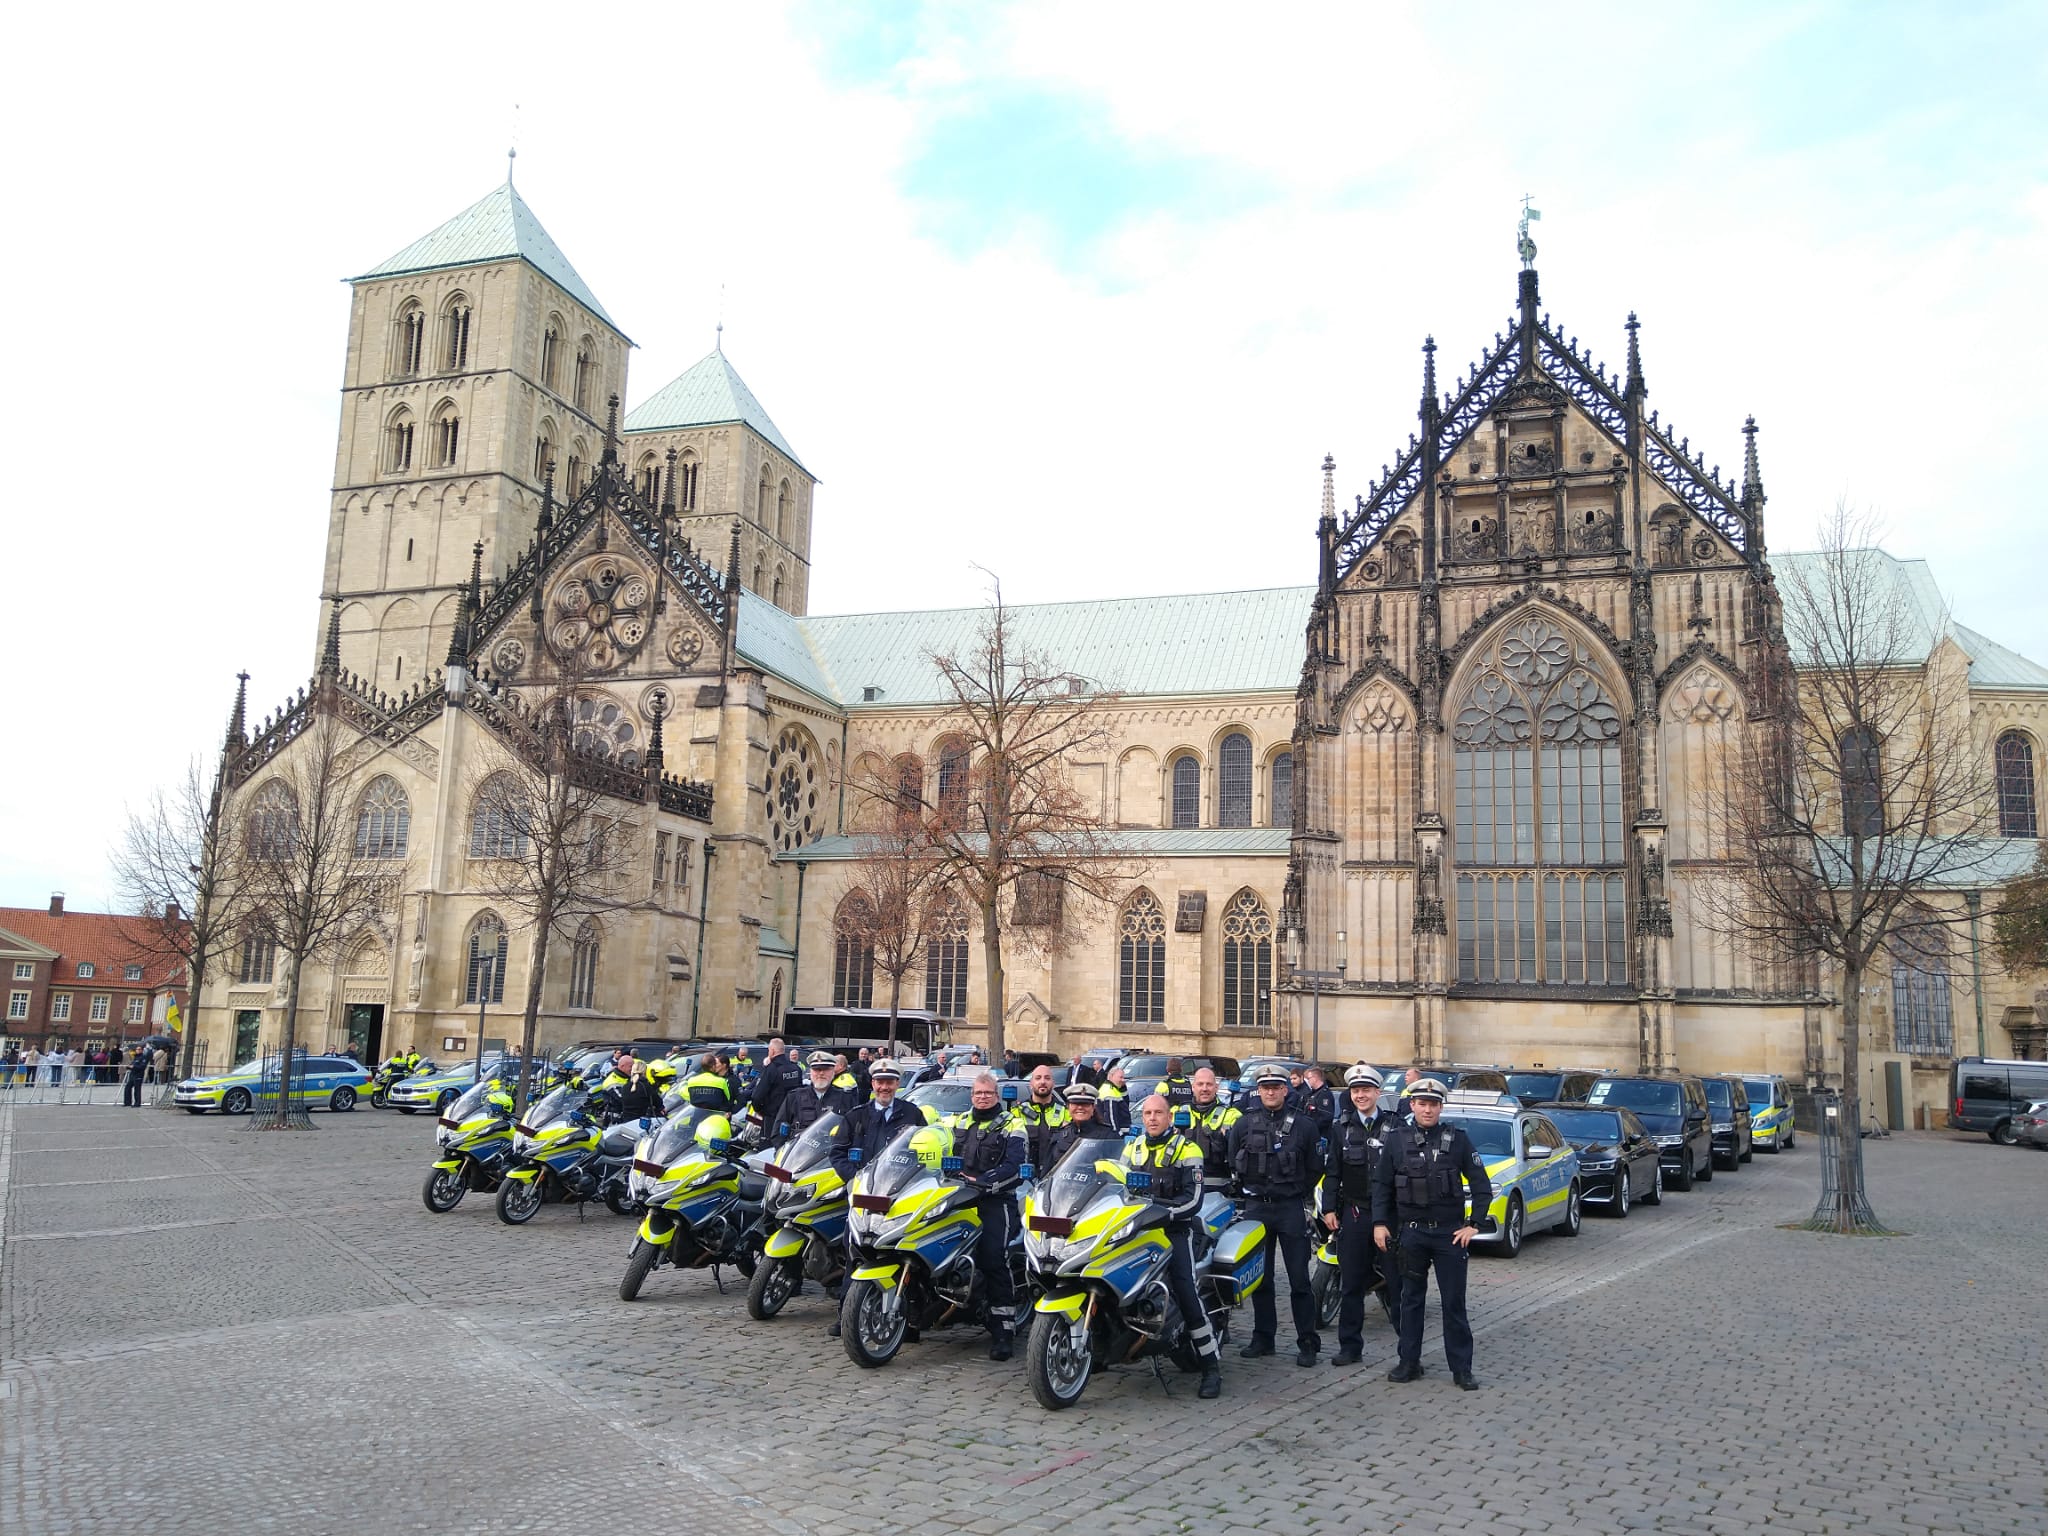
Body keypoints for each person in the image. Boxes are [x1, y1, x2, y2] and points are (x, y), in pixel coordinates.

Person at [1372, 1077, 1492, 1391]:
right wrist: (1380, 1223)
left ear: (1440, 1107)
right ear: (1412, 1105)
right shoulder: (1397, 1140)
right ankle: (1409, 1362)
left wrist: (1474, 1224)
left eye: (1433, 1104)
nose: (1427, 1110)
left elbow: (1481, 1185)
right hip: (1411, 1234)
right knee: (1410, 1300)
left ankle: (1461, 1369)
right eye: (1422, 1104)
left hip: (1449, 1236)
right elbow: (1382, 1186)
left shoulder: (1458, 1140)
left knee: (1454, 1303)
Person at [1123, 1095, 1221, 1398]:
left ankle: (1211, 1368)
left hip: (1174, 1231)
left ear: (1169, 1117)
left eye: (1158, 1113)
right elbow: (1115, 1188)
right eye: (1148, 1113)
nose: (1152, 1118)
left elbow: (1193, 1200)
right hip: (1138, 1231)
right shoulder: (1132, 1147)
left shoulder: (1187, 1149)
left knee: (1186, 1291)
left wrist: (1165, 1214)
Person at [1227, 1064, 1324, 1367]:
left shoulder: (1305, 1127)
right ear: (1259, 1090)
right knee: (1261, 1278)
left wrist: (1295, 1192)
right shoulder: (1244, 1125)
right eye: (1265, 1087)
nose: (1270, 1092)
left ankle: (1307, 1342)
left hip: (1289, 1208)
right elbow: (1234, 1159)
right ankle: (1263, 1337)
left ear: (1285, 1090)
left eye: (1276, 1087)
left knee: (1299, 1280)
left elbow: (1314, 1167)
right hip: (1256, 1208)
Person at [828, 1059, 924, 1338]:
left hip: (898, 1198)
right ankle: (846, 1314)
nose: (884, 1087)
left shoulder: (913, 1115)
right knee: (854, 1254)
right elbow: (837, 1152)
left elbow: (926, 1154)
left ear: (897, 1084)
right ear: (872, 1084)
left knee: (904, 1255)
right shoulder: (856, 1116)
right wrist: (854, 1180)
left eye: (890, 1082)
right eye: (880, 1082)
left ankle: (907, 1320)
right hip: (863, 1199)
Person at [1320, 1065, 1403, 1366]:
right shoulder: (1340, 1128)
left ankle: (1408, 1352)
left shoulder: (1396, 1127)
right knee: (1351, 1284)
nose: (1361, 1095)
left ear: (1377, 1093)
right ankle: (1350, 1347)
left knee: (1397, 1284)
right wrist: (1329, 1207)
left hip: (1389, 1217)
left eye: (1366, 1090)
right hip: (1355, 1213)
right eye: (1356, 1091)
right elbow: (1332, 1173)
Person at [941, 1073, 1027, 1359]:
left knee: (993, 1256)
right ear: (972, 1095)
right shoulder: (958, 1121)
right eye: (978, 1093)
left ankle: (1003, 1329)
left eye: (988, 1093)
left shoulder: (1013, 1124)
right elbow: (936, 1148)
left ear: (996, 1095)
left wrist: (983, 1182)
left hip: (995, 1199)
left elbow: (1014, 1166)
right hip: (958, 1195)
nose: (982, 1097)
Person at [1040, 1081, 1120, 1167]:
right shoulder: (1058, 1136)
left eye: (1085, 1104)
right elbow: (1047, 1174)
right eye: (1076, 1103)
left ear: (1093, 1108)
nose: (1080, 1107)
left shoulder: (1109, 1137)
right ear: (1068, 1107)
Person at [1181, 1068, 1242, 1181]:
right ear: (1193, 1087)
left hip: (1219, 1182)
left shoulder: (1231, 1114)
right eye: (1200, 1084)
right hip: (1184, 1182)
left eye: (1209, 1084)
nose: (1204, 1088)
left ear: (1216, 1087)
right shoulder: (1178, 1112)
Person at [779, 1051, 854, 1137]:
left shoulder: (845, 1098)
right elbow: (778, 1133)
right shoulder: (794, 1097)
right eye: (817, 1069)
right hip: (800, 1149)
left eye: (826, 1069)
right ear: (810, 1072)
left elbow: (853, 1131)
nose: (821, 1073)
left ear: (833, 1071)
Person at [1013, 1064, 1070, 1172]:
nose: (1043, 1082)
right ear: (1031, 1084)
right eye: (1038, 1078)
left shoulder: (1066, 1112)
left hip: (1056, 1175)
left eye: (1047, 1078)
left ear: (1053, 1084)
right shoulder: (1017, 1112)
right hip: (1023, 1178)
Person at [750, 1037, 804, 1129]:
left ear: (772, 1051)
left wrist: (759, 1110)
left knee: (769, 1142)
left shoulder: (772, 1069)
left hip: (773, 1117)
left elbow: (757, 1096)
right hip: (791, 1116)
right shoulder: (796, 1068)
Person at [1096, 1063, 1131, 1133]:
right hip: (1117, 1134)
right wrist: (1117, 1134)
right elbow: (1111, 1117)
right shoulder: (1109, 1091)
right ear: (1111, 1076)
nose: (1123, 1080)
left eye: (1123, 1077)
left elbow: (1126, 1103)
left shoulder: (1112, 1088)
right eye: (1120, 1077)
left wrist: (1123, 1088)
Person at [1299, 1066, 1337, 1131]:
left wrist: (1312, 1127)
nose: (1308, 1081)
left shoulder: (1324, 1095)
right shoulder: (1312, 1094)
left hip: (1321, 1135)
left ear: (1315, 1078)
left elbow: (1326, 1117)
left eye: (1309, 1078)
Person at [123, 1043, 151, 1107]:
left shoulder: (143, 1057)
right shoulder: (135, 1057)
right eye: (137, 1049)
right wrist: (128, 1066)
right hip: (132, 1074)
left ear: (142, 1050)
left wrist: (134, 1067)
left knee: (137, 1090)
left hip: (138, 1075)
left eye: (139, 1049)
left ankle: (137, 1103)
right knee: (127, 1088)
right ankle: (127, 1102)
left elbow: (142, 1067)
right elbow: (132, 1064)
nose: (137, 1050)